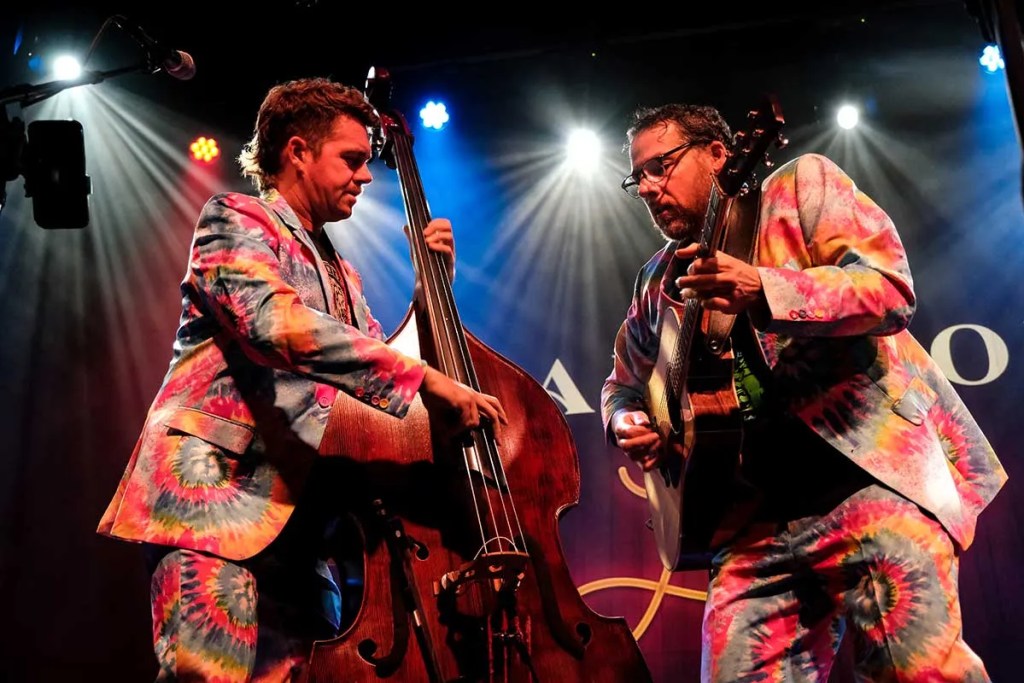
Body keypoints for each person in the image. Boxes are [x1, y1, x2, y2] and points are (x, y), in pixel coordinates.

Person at [97, 77, 506, 682]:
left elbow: (373, 371)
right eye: (352, 159)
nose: (366, 176)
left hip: (303, 527)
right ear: (297, 151)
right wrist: (426, 379)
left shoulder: (343, 272)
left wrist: (429, 300)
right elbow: (274, 323)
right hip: (216, 502)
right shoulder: (233, 218)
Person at [601, 103, 1007, 682]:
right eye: (636, 177)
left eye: (660, 166)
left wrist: (762, 287)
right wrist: (625, 421)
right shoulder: (655, 281)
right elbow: (622, 384)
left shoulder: (797, 188)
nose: (646, 187)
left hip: (868, 487)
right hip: (751, 526)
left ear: (719, 154)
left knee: (921, 675)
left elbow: (890, 290)